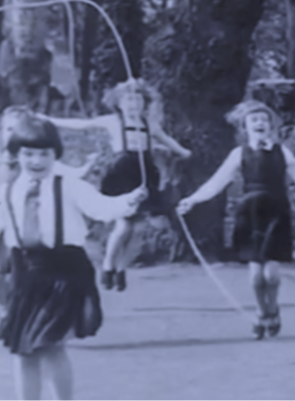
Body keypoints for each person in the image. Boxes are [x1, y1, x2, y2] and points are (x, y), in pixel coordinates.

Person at [0, 115, 147, 401]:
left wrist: (129, 200)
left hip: (63, 272)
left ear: (55, 155)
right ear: (16, 155)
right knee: (23, 349)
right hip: (25, 275)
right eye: (28, 154)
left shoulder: (68, 185)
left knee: (50, 345)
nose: (36, 161)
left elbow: (101, 208)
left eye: (44, 154)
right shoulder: (8, 190)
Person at [177, 100, 295, 340]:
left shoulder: (282, 152)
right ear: (245, 127)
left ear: (271, 126)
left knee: (271, 275)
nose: (260, 123)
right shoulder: (239, 154)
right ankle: (262, 311)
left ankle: (273, 308)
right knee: (256, 276)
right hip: (250, 213)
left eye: (264, 120)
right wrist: (193, 199)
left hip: (276, 212)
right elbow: (218, 181)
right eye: (254, 120)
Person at [37, 79, 191, 292]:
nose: (133, 104)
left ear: (145, 103)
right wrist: (49, 120)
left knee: (138, 229)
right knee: (124, 226)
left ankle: (121, 268)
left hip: (145, 175)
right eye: (128, 100)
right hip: (122, 175)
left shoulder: (150, 124)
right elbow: (83, 125)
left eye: (138, 100)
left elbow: (166, 140)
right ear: (119, 103)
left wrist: (183, 152)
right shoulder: (113, 122)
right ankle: (108, 265)